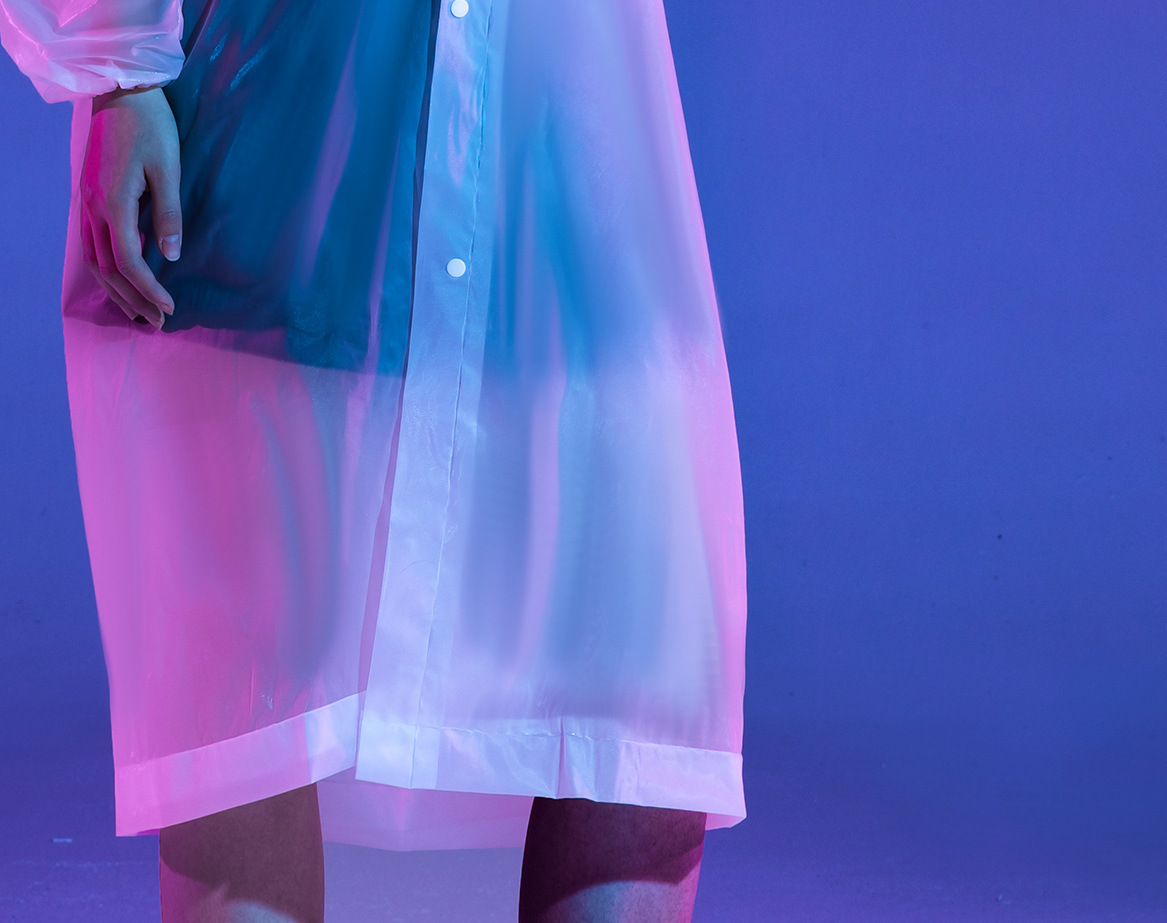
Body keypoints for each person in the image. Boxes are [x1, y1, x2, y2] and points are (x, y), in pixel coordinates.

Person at [0, 1, 747, 920]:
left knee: (635, 696)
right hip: (293, 125)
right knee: (242, 709)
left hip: (571, 121)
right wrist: (122, 75)